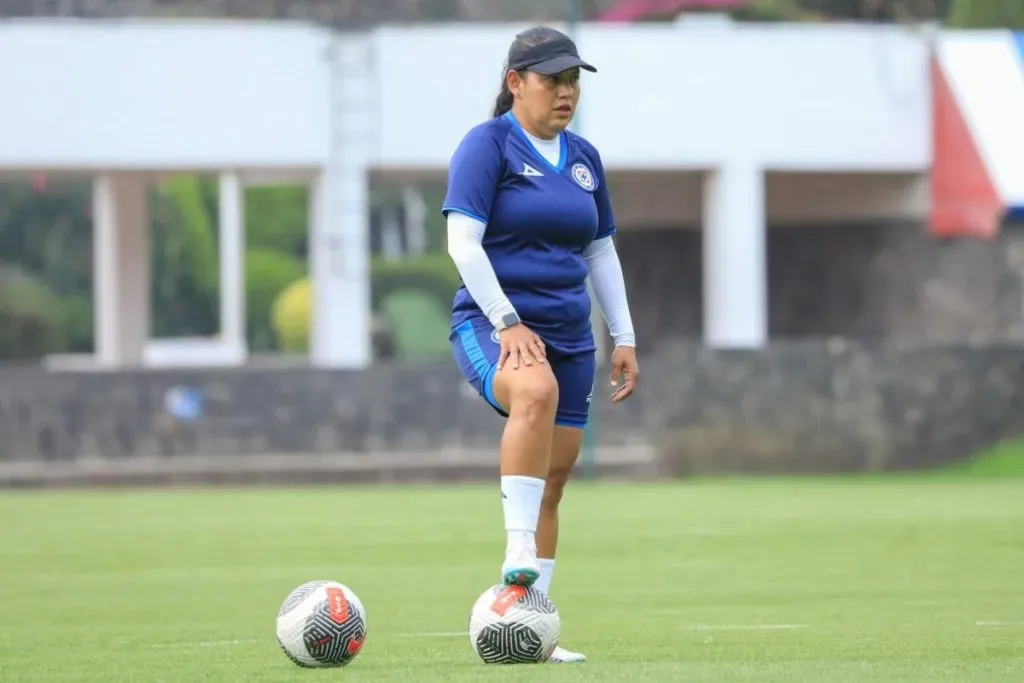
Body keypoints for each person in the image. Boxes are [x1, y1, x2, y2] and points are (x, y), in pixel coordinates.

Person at [443, 26, 638, 664]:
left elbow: (600, 252)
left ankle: (531, 629)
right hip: (492, 325)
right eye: (552, 79)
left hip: (570, 337)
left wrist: (624, 336)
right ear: (515, 83)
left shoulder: (584, 158)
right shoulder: (487, 146)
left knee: (554, 480)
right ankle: (517, 549)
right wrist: (506, 322)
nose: (566, 92)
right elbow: (462, 244)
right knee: (535, 390)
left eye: (573, 80)